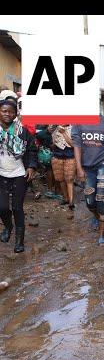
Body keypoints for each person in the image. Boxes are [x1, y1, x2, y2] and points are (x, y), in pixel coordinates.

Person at [71, 114, 104, 245]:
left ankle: (102, 234)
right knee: (90, 202)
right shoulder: (78, 122)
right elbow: (77, 146)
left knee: (101, 198)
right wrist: (79, 168)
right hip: (87, 168)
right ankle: (97, 216)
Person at [0, 99, 37, 253]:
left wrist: (31, 166)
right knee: (1, 207)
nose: (7, 114)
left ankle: (19, 241)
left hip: (19, 174)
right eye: (4, 111)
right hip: (1, 174)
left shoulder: (22, 131)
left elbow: (32, 150)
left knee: (17, 208)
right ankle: (8, 226)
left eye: (10, 111)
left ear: (15, 114)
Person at [51, 124, 76, 209]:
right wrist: (53, 135)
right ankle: (66, 198)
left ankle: (71, 202)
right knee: (60, 179)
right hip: (57, 156)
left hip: (70, 157)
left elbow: (73, 145)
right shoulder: (55, 129)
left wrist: (64, 133)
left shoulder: (74, 129)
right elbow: (53, 145)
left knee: (69, 179)